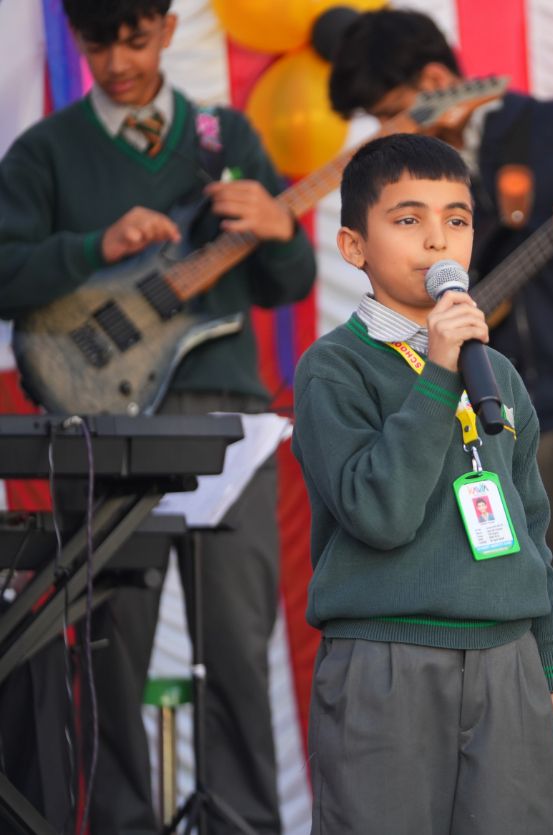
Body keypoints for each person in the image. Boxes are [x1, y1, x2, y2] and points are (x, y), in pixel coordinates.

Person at [327, 11, 553, 829]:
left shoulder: (552, 127)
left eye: (394, 111)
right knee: (467, 587)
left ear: (436, 81)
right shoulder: (340, 360)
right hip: (462, 415)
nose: (388, 133)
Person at [0, 1, 316, 832]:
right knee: (107, 650)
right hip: (97, 426)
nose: (117, 62)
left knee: (238, 644)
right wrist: (92, 249)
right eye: (97, 43)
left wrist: (282, 228)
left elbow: (287, 282)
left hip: (227, 419)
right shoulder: (44, 150)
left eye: (135, 40)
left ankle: (244, 822)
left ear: (168, 30)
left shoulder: (225, 136)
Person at [292, 132, 553, 833]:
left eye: (456, 219)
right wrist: (436, 374)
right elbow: (380, 513)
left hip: (510, 662)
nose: (438, 239)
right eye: (408, 219)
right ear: (353, 247)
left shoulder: (498, 373)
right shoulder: (334, 368)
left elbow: (532, 536)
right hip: (387, 658)